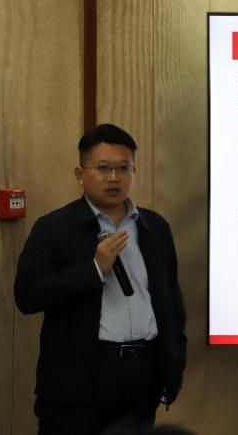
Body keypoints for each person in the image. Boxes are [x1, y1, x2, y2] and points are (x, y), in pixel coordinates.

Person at [15, 123, 187, 435]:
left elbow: (171, 304)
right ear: (80, 174)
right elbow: (27, 296)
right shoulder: (54, 228)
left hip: (142, 375)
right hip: (79, 381)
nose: (114, 177)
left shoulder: (155, 227)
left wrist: (173, 366)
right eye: (104, 168)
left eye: (124, 168)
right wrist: (93, 269)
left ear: (134, 172)